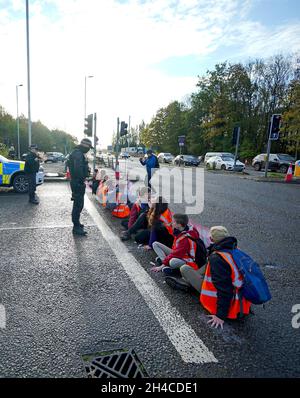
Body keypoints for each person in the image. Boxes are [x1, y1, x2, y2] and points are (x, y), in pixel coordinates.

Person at [166, 226, 252, 329]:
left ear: (211, 239)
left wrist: (220, 316)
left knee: (184, 268)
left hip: (230, 303)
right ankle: (187, 282)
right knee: (207, 265)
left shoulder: (217, 258)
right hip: (242, 299)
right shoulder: (234, 250)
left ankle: (187, 284)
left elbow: (225, 288)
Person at [68, 138, 93, 236]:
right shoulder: (78, 154)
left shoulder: (77, 153)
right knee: (78, 205)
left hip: (77, 181)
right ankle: (76, 227)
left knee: (79, 204)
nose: (89, 149)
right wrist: (83, 177)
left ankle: (77, 223)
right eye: (89, 147)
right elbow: (78, 169)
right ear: (85, 146)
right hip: (77, 182)